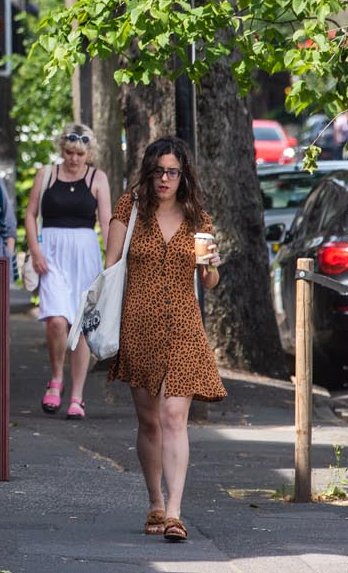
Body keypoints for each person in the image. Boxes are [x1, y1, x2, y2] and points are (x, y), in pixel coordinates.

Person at [105, 136, 224, 544]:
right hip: (138, 324)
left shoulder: (197, 218)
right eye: (158, 171)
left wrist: (210, 267)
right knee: (149, 421)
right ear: (148, 172)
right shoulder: (129, 207)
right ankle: (154, 500)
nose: (165, 179)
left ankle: (174, 513)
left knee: (175, 417)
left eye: (172, 171)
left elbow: (209, 278)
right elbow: (110, 267)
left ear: (183, 174)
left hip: (185, 326)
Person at [25, 124, 112, 419]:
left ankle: (77, 396)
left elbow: (107, 220)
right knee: (56, 321)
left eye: (80, 153)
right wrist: (35, 250)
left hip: (85, 253)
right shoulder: (46, 174)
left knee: (82, 327)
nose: (74, 159)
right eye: (69, 152)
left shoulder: (97, 177)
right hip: (52, 253)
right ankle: (56, 378)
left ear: (89, 152)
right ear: (61, 149)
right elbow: (30, 213)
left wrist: (111, 263)